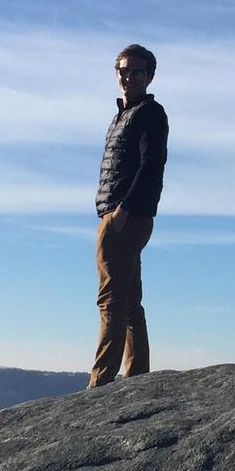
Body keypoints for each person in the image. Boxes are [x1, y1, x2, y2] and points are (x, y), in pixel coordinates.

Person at [90, 44, 168, 386]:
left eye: (136, 71)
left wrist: (123, 210)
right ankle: (136, 375)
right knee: (129, 300)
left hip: (124, 216)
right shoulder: (123, 114)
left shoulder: (149, 114)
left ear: (149, 76)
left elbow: (152, 166)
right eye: (123, 70)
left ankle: (101, 382)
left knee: (110, 299)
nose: (128, 77)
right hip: (119, 213)